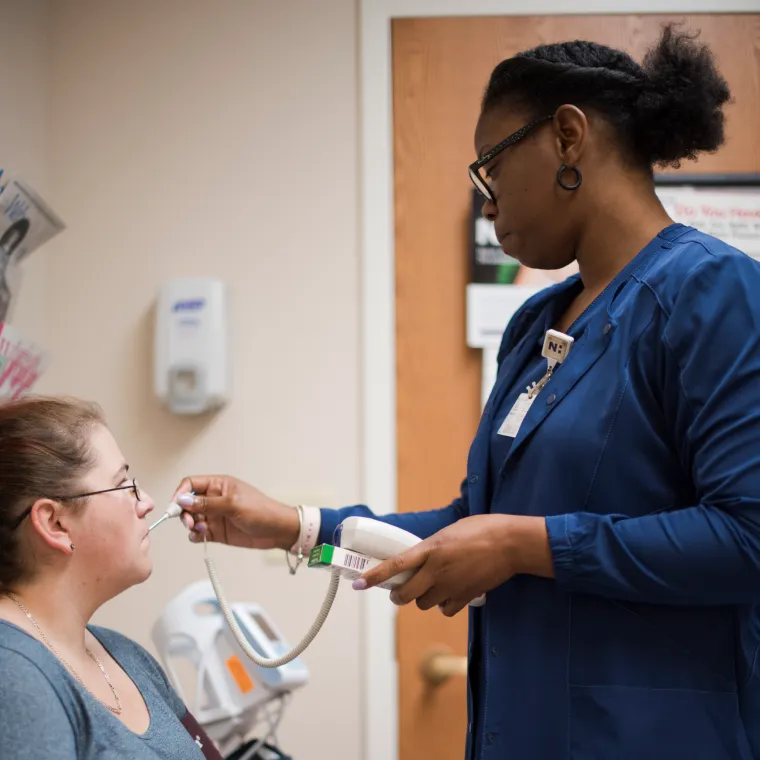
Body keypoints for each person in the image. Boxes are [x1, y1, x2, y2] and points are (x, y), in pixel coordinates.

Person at [175, 25, 760, 760]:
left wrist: (528, 545)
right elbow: (473, 525)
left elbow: (747, 536)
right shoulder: (534, 326)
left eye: (490, 167)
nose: (486, 204)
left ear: (568, 137)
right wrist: (299, 527)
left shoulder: (713, 293)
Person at [0, 396, 223, 759]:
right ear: (55, 523)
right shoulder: (13, 677)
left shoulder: (125, 655)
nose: (147, 501)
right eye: (124, 485)